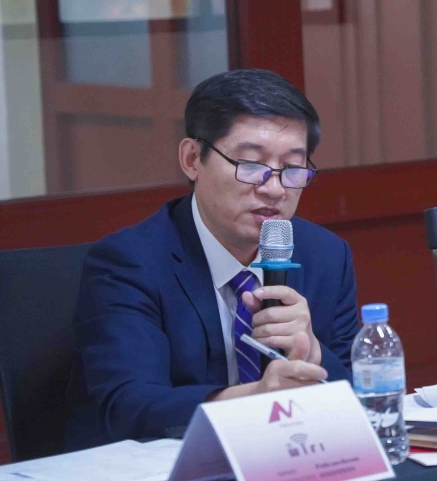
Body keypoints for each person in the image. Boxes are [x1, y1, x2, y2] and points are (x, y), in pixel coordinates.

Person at [65, 69, 360, 449]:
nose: (273, 189)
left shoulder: (325, 255)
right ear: (192, 159)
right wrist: (254, 400)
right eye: (251, 165)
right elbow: (129, 406)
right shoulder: (129, 263)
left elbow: (362, 396)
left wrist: (314, 350)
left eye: (291, 169)